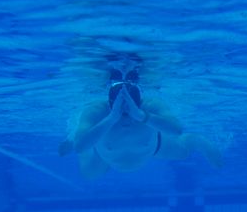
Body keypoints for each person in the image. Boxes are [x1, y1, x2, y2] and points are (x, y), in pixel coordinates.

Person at [59, 64, 223, 179]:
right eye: (122, 112)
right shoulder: (97, 111)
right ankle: (73, 134)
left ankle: (197, 141)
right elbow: (80, 147)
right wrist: (111, 118)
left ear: (139, 101)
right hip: (103, 153)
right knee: (89, 174)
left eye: (129, 111)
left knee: (183, 152)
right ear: (110, 104)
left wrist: (141, 115)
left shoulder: (150, 106)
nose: (126, 116)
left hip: (153, 145)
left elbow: (177, 130)